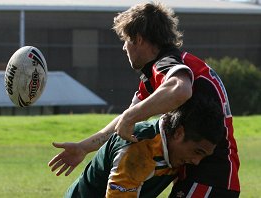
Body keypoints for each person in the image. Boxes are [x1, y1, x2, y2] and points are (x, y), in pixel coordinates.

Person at [49, 2, 240, 197]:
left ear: (138, 39)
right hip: (202, 169)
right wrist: (84, 147)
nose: (124, 47)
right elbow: (124, 120)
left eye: (125, 40)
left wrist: (131, 117)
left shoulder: (167, 64)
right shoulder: (156, 76)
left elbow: (180, 90)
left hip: (211, 172)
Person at [50, 94, 225, 197]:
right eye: (197, 152)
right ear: (178, 133)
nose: (196, 162)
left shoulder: (172, 147)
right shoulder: (138, 150)